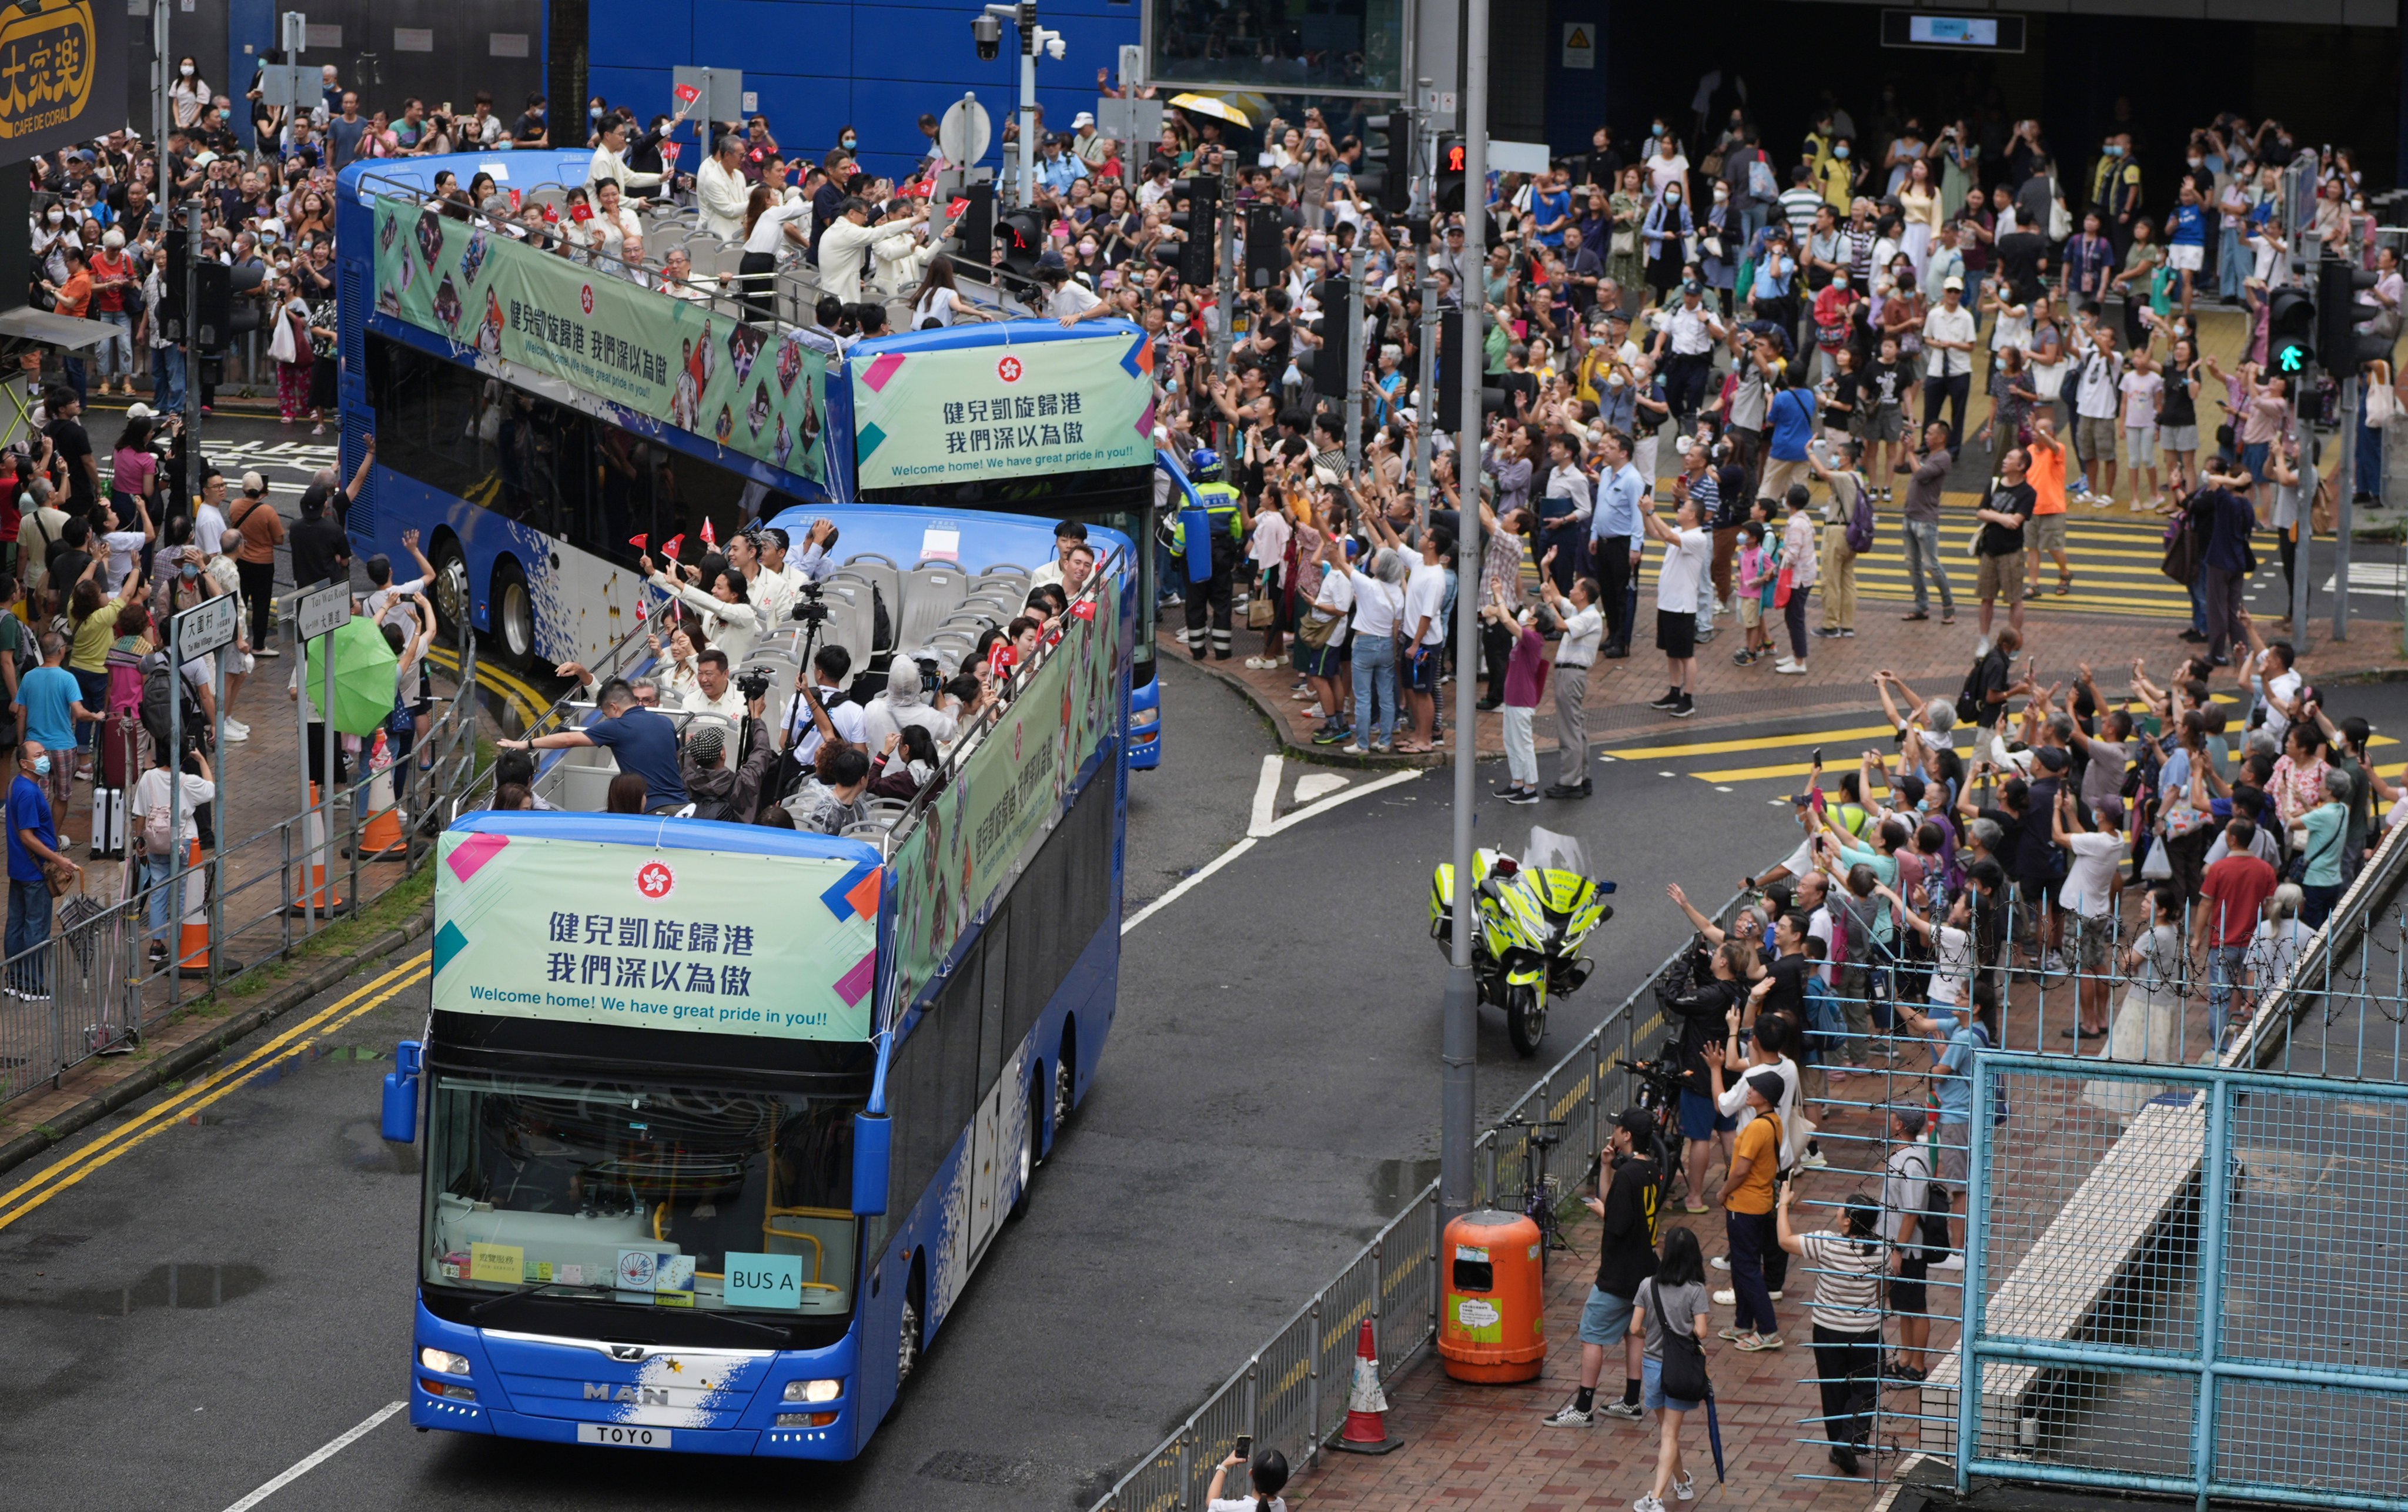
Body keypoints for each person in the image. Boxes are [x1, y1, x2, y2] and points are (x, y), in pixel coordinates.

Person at [1544, 1107, 1662, 1428]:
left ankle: (1583, 1408)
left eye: (1618, 1128)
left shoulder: (1629, 1176)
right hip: (1646, 1269)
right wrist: (1607, 1168)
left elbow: (1618, 1222)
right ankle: (1630, 1402)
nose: (1614, 1132)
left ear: (1626, 1135)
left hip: (1618, 1273)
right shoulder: (1650, 1169)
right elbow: (1623, 1207)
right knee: (1633, 1333)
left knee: (1591, 1334)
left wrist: (1601, 1212)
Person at [1778, 1183, 1884, 1476]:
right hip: (1866, 1332)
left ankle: (1841, 1443)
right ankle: (1848, 1441)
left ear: (1848, 1220)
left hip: (1828, 1330)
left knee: (1833, 1387)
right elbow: (1883, 1287)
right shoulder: (1881, 1251)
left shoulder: (1827, 1243)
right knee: (1865, 1388)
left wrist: (1783, 1204)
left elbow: (1785, 1240)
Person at [497, 679, 686, 812]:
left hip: (654, 810)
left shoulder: (617, 726)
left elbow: (568, 740)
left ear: (613, 707)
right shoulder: (666, 723)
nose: (608, 718)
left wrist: (526, 743)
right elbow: (675, 755)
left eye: (606, 713)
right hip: (683, 804)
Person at [1629, 1226, 1710, 1512]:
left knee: (1666, 1432)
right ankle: (1656, 1499)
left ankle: (1681, 1483)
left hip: (1652, 1365)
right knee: (1669, 1435)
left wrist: (1649, 1335)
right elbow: (1701, 1330)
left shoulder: (1647, 1285)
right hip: (1680, 1369)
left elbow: (1635, 1328)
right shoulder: (1695, 1290)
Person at [1717, 1069, 1786, 1351]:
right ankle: (1742, 1324)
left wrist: (1723, 1191)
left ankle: (1768, 1330)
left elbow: (1741, 1170)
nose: (1748, 1091)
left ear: (1765, 1096)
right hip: (1761, 1203)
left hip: (1743, 1204)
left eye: (1754, 1088)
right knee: (1745, 1265)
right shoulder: (1773, 1121)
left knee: (1746, 1268)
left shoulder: (1757, 1127)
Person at [132, 738, 215, 967]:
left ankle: (157, 945)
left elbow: (139, 812)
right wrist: (201, 760)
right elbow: (211, 789)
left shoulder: (147, 778)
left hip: (156, 840)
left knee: (159, 889)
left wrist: (139, 840)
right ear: (183, 756)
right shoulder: (187, 781)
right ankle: (182, 939)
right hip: (184, 841)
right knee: (183, 891)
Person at [6, 739, 73, 998]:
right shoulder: (30, 792)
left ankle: (14, 979)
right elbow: (28, 836)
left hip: (20, 868)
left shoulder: (16, 786)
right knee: (36, 927)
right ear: (25, 763)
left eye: (45, 753)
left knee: (16, 924)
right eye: (39, 754)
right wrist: (59, 860)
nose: (45, 757)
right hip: (36, 872)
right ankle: (32, 985)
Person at [1641, 491, 1710, 718]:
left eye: (1683, 508)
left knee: (1685, 654)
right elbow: (1655, 532)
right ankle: (1674, 691)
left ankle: (1688, 698)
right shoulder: (1681, 531)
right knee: (1671, 652)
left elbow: (1669, 536)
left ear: (1692, 515)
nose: (1679, 510)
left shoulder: (1698, 538)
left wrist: (1652, 511)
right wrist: (1645, 514)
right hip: (1668, 602)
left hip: (1683, 605)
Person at [1537, 559, 1601, 799]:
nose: (1571, 591)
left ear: (1583, 594)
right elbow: (1556, 596)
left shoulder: (1589, 617)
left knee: (1569, 728)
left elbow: (1561, 624)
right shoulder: (1580, 611)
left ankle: (1571, 781)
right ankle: (1582, 777)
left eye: (1575, 588)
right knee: (1577, 726)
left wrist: (1546, 603)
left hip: (1572, 673)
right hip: (1570, 672)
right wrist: (1546, 568)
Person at [1205, 1447, 1289, 1512]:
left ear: (1251, 1473)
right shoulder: (1281, 1506)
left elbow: (1211, 1502)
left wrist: (1225, 1465)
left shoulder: (1238, 1509)